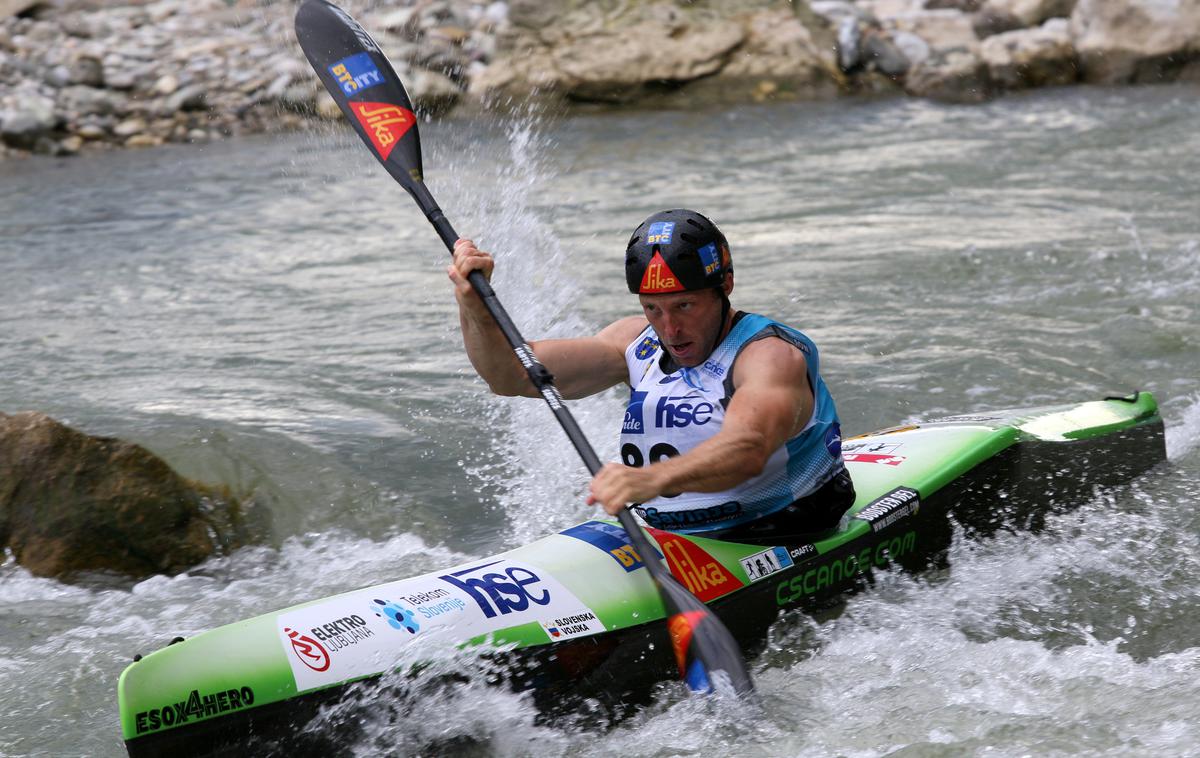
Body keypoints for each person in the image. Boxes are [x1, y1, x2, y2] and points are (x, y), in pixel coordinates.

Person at [447, 209, 854, 544]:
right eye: (653, 309)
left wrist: (648, 480)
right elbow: (509, 375)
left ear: (725, 285)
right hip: (666, 538)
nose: (670, 329)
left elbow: (747, 448)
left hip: (776, 532)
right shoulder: (633, 343)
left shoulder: (768, 355)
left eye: (685, 306)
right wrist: (473, 308)